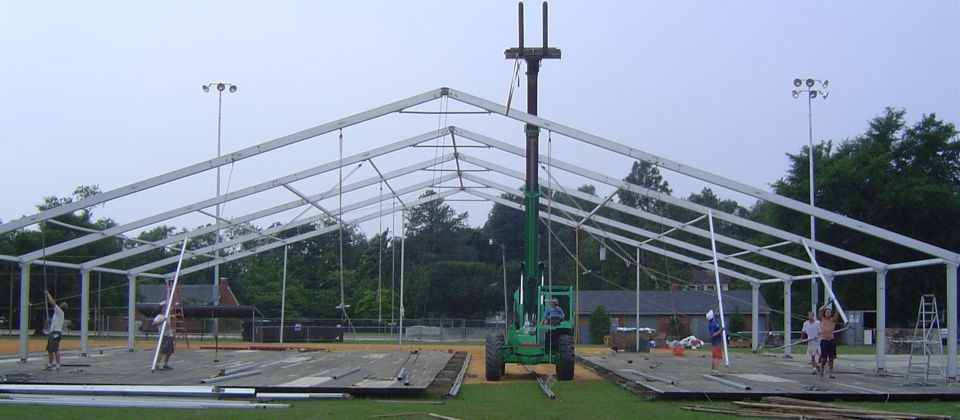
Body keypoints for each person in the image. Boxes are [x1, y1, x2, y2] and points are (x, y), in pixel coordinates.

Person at [43, 290, 67, 371]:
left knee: (55, 349)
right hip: (52, 332)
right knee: (50, 349)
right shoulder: (57, 313)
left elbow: (52, 303)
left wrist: (48, 294)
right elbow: (55, 321)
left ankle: (57, 365)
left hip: (56, 333)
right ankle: (50, 364)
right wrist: (50, 321)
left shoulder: (59, 311)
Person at [818, 301, 839, 379]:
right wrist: (827, 304)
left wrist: (836, 304)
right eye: (827, 312)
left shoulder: (833, 320)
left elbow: (837, 313)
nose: (828, 313)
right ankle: (822, 367)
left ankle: (831, 373)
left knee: (831, 358)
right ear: (825, 313)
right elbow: (820, 310)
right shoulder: (822, 319)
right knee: (824, 358)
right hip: (824, 340)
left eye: (829, 312)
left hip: (831, 340)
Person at [707, 309, 724, 376]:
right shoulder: (712, 324)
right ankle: (716, 371)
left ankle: (713, 370)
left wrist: (719, 307)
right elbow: (712, 335)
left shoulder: (712, 320)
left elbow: (716, 314)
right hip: (716, 343)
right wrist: (720, 331)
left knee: (714, 357)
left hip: (715, 343)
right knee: (717, 357)